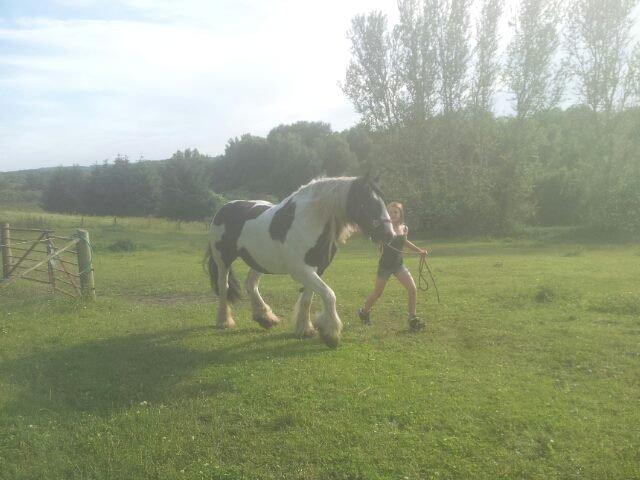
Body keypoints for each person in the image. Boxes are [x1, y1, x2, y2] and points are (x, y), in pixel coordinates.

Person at [358, 202, 427, 331]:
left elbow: (405, 242)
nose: (392, 214)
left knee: (412, 289)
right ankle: (363, 312)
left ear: (400, 214)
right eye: (390, 212)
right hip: (385, 266)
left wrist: (419, 251)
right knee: (377, 293)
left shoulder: (404, 228)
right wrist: (378, 239)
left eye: (395, 212)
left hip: (398, 265)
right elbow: (378, 245)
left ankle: (412, 318)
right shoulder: (384, 229)